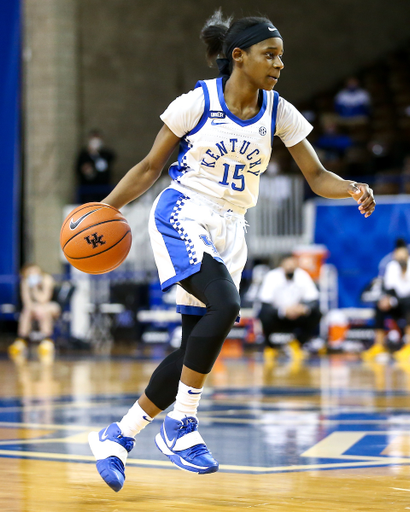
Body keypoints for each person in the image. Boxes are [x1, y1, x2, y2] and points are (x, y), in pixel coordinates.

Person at [87, 10, 376, 492]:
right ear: (238, 56)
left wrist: (351, 188)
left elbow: (318, 177)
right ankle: (182, 425)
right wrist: (102, 210)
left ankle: (118, 435)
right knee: (226, 305)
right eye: (270, 54)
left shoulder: (279, 111)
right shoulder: (195, 102)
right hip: (184, 212)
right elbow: (148, 166)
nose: (279, 64)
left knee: (192, 350)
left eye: (282, 56)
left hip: (232, 230)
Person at [258, 255, 321, 361]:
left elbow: (313, 300)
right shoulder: (272, 276)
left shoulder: (303, 276)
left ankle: (296, 344)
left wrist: (303, 308)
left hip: (297, 315)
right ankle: (270, 347)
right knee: (263, 314)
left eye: (292, 265)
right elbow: (265, 303)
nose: (290, 268)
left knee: (317, 313)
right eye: (287, 265)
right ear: (281, 266)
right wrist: (283, 310)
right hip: (278, 315)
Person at [363, 245, 410, 361]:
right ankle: (379, 345)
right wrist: (387, 300)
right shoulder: (391, 267)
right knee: (380, 307)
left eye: (403, 255)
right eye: (399, 255)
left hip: (408, 302)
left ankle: (409, 346)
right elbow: (389, 289)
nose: (401, 258)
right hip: (397, 302)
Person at [8, 264, 60, 361]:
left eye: (35, 271)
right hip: (34, 307)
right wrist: (34, 308)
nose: (33, 274)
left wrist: (35, 288)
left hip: (51, 306)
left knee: (44, 310)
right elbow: (26, 302)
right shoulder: (25, 282)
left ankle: (47, 339)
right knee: (27, 310)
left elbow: (44, 299)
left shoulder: (47, 279)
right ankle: (22, 339)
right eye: (30, 273)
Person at [76, 129, 115, 203]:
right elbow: (79, 169)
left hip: (103, 188)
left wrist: (96, 154)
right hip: (88, 189)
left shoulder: (105, 154)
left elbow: (111, 158)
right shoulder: (84, 155)